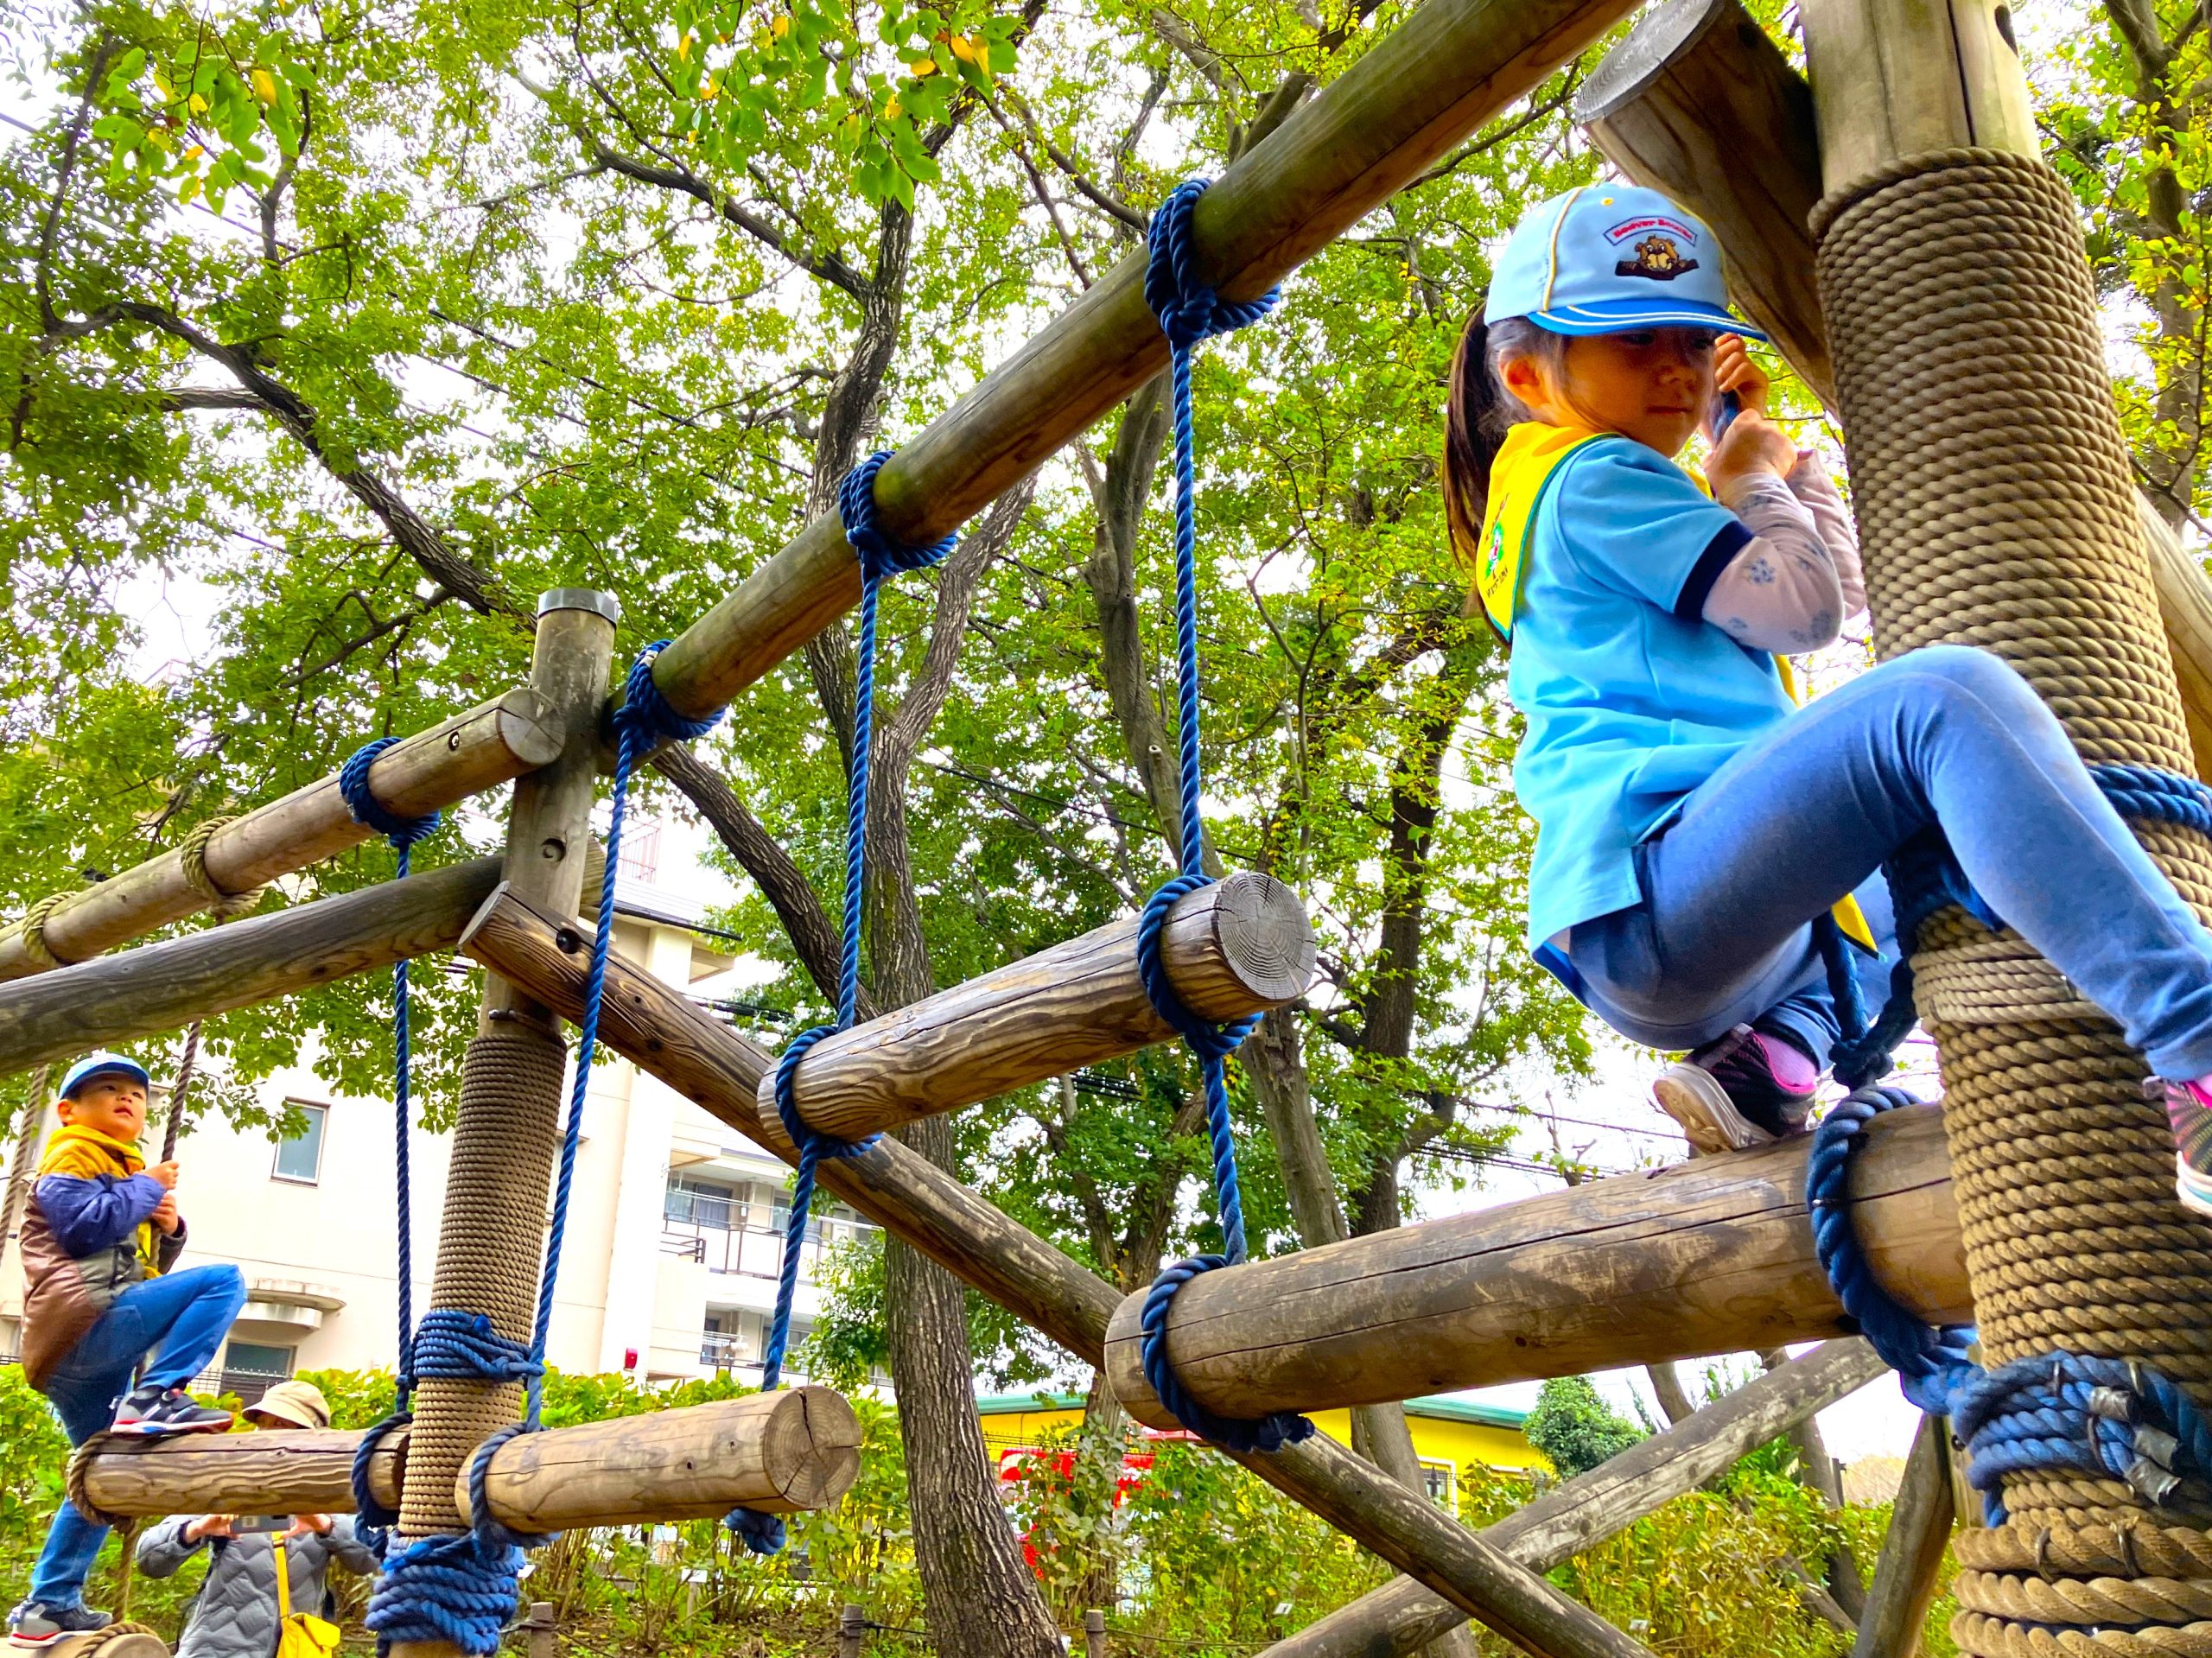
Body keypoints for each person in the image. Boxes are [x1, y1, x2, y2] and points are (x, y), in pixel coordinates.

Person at [1442, 182, 2212, 1213]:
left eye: (1687, 339)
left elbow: (1831, 592)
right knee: (1943, 699)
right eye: (1632, 343)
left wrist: (1771, 458)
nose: (1673, 366)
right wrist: (1748, 473)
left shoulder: (1572, 488)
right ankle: (2197, 1034)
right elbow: (1799, 611)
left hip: (1716, 932)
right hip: (1659, 887)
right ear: (1529, 374)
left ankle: (1774, 1056)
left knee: (1962, 833)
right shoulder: (1586, 476)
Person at [9, 1052, 245, 1649]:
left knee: (102, 1473)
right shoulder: (68, 1161)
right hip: (84, 1328)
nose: (127, 1098)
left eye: (136, 1094)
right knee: (223, 1281)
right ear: (68, 1111)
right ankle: (157, 1393)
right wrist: (146, 1188)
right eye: (108, 1089)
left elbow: (135, 1272)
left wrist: (167, 1228)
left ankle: (48, 1601)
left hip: (77, 1353)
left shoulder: (118, 1171)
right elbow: (87, 1231)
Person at [136, 1380, 380, 1658]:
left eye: (282, 1425)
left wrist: (325, 1524)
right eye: (263, 1423)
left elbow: (368, 1560)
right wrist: (196, 1529)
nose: (268, 1434)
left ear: (313, 1437)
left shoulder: (329, 1492)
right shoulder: (228, 1483)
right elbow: (149, 1561)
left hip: (292, 1648)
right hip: (214, 1649)